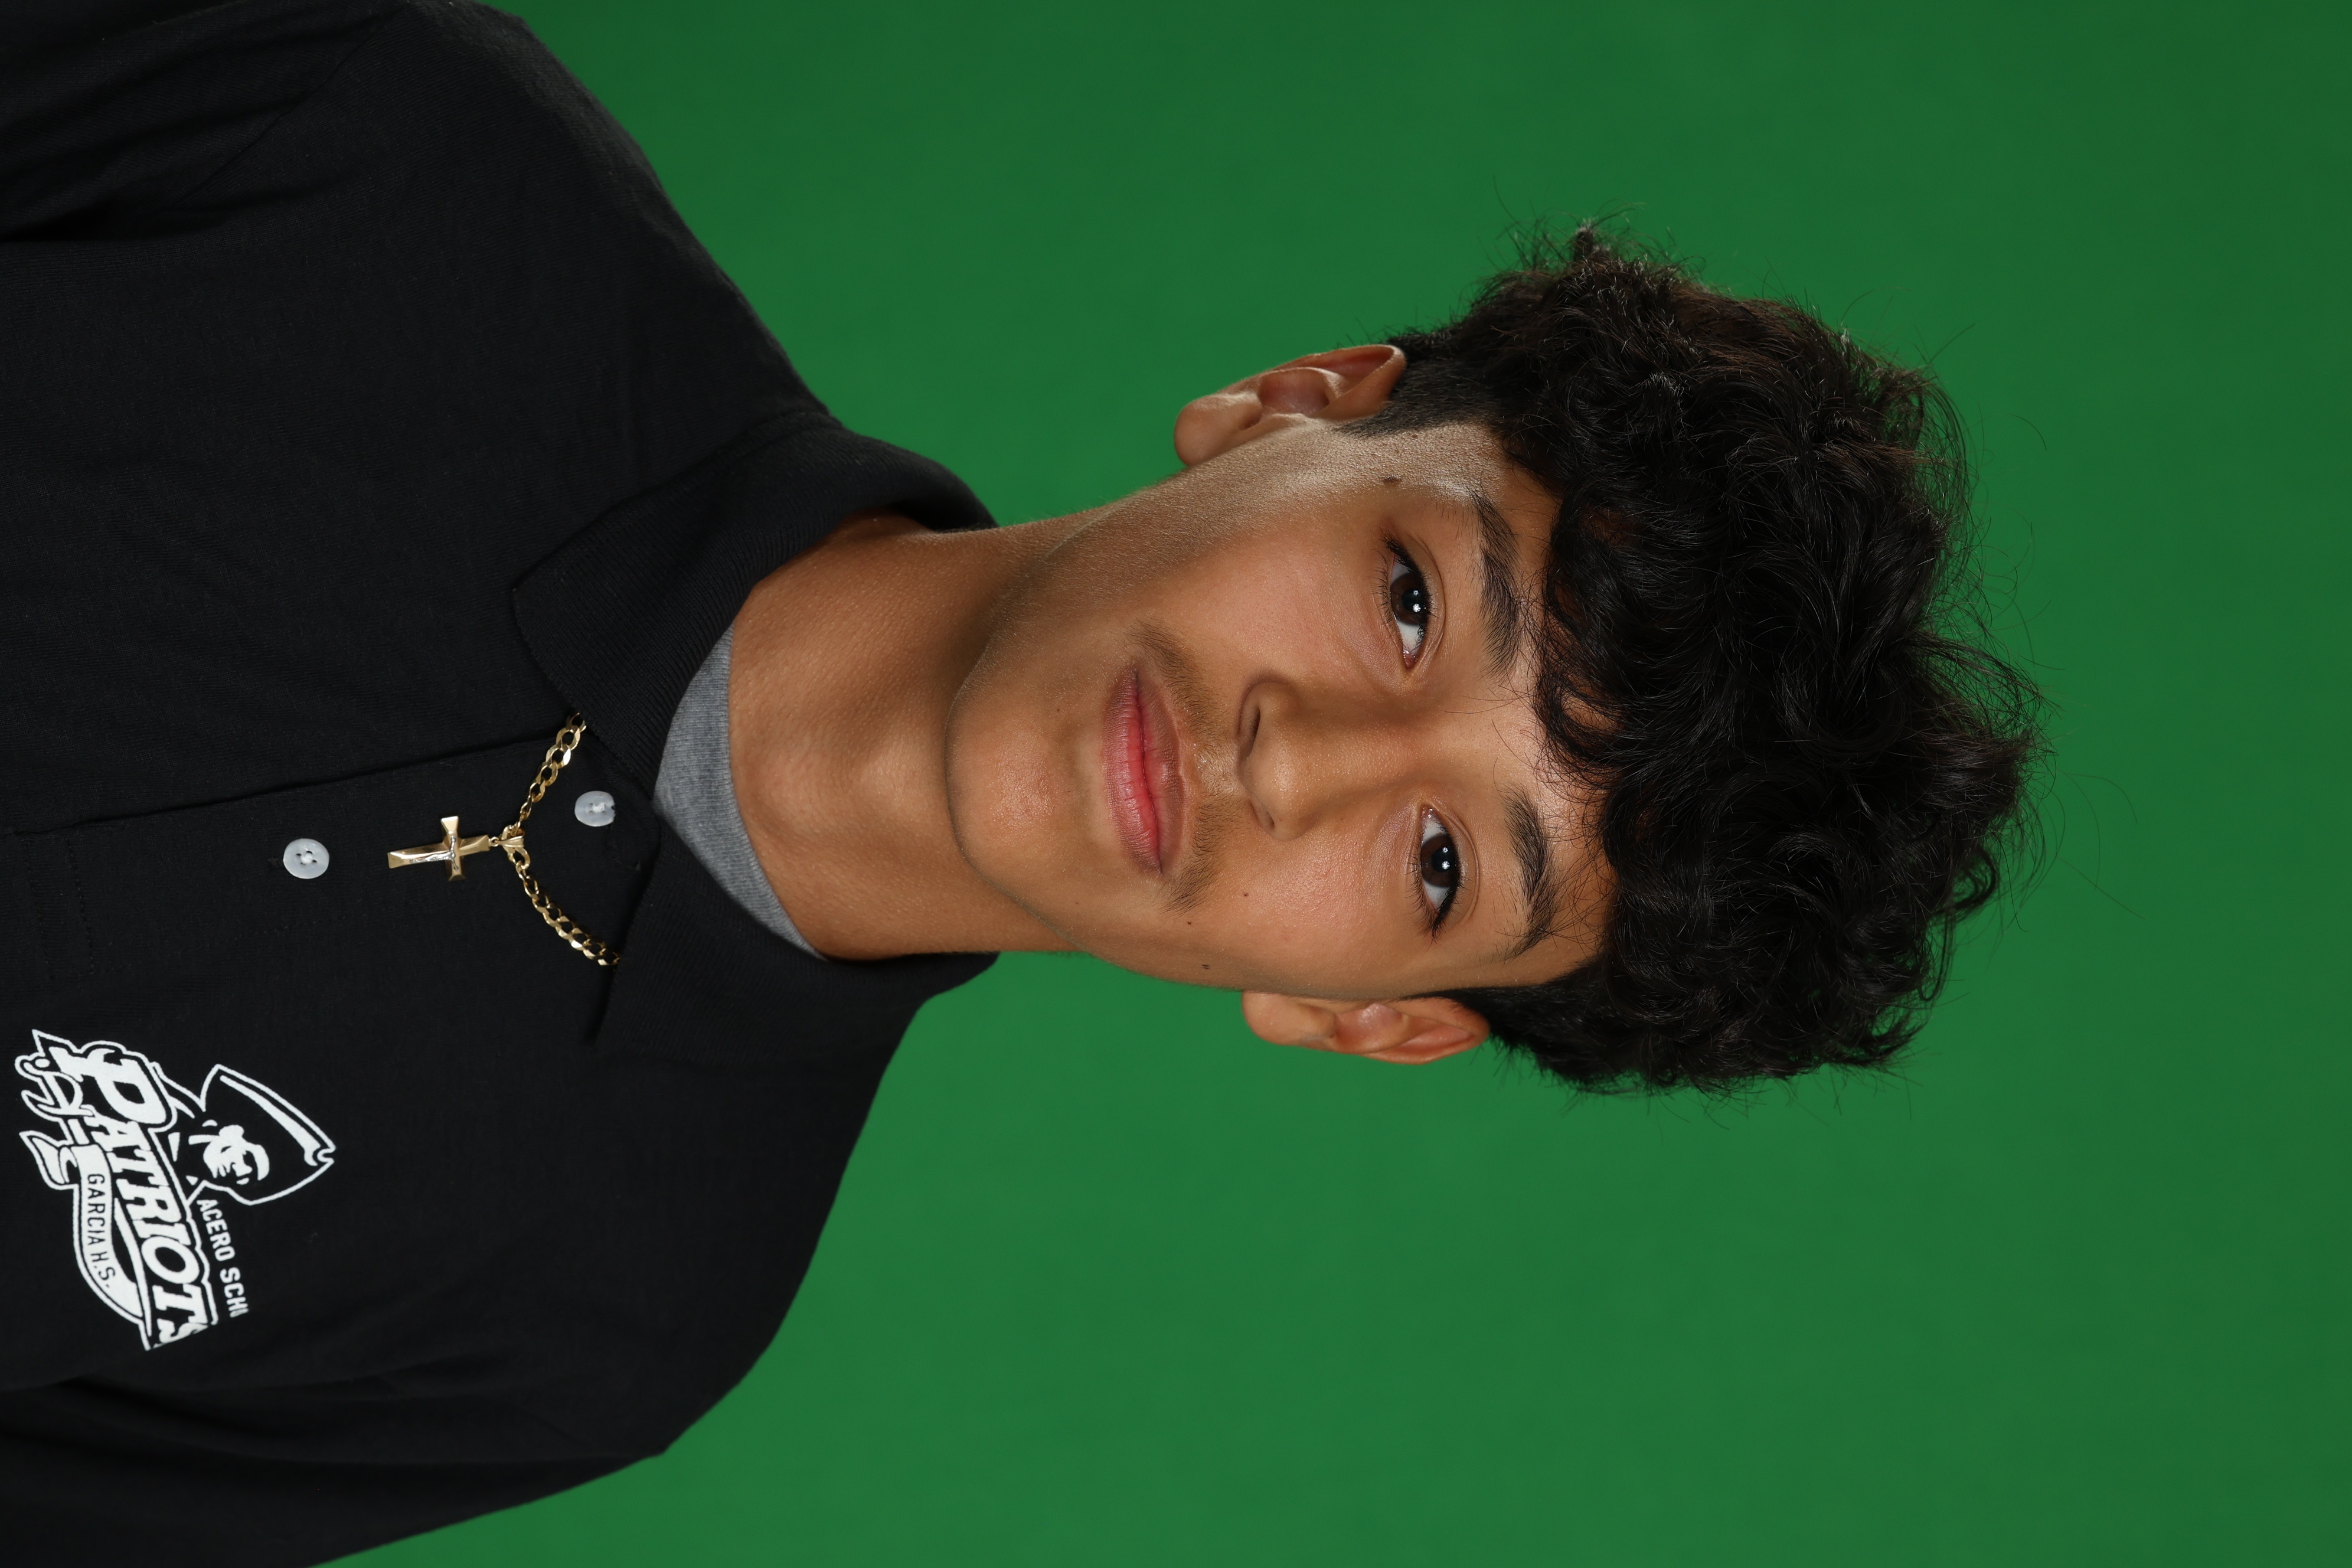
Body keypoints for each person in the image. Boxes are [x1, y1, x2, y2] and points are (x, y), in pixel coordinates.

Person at [0, 1, 2038, 1563]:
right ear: (1302, 403)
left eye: (1438, 864)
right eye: (1411, 604)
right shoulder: (380, 148)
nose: (1295, 758)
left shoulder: (595, 1333)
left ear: (1372, 1015)